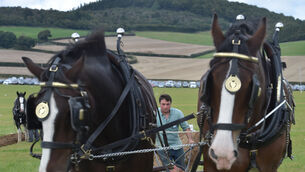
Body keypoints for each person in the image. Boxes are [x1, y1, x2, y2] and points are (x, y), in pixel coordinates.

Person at [156, 94, 194, 172]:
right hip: (162, 148)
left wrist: (190, 139)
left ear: (171, 104)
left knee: (182, 169)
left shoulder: (178, 113)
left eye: (167, 104)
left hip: (177, 146)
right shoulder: (154, 114)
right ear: (159, 104)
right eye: (163, 104)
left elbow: (186, 127)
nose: (165, 107)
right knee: (170, 170)